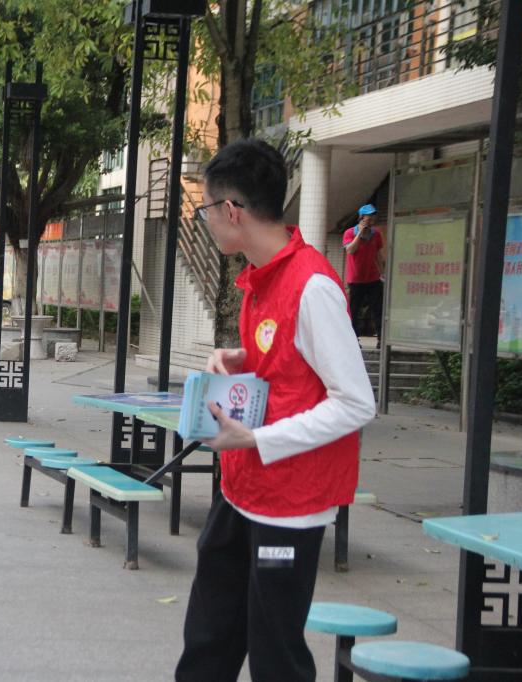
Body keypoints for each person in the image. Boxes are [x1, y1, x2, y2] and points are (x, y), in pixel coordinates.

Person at [174, 139, 375, 682]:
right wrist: (240, 359)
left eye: (206, 210)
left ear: (231, 211)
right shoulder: (260, 279)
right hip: (243, 487)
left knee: (275, 657)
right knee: (208, 641)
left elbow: (356, 402)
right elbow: (287, 366)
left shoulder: (312, 287)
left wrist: (258, 439)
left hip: (290, 503)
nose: (207, 222)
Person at [342, 203, 386, 344]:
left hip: (373, 278)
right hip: (355, 280)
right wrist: (359, 234)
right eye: (369, 216)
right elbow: (350, 250)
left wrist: (382, 273)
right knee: (354, 311)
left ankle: (381, 339)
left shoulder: (376, 234)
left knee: (377, 310)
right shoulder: (349, 233)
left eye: (374, 215)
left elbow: (378, 255)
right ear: (361, 217)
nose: (372, 218)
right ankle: (353, 341)